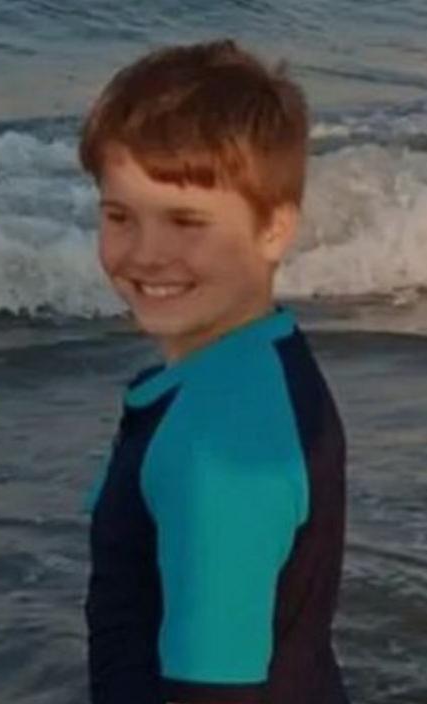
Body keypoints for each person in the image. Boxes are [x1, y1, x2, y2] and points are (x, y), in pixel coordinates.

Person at [79, 39, 349, 704]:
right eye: (120, 216)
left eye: (186, 221)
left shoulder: (219, 443)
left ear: (274, 229)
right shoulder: (260, 362)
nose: (147, 253)